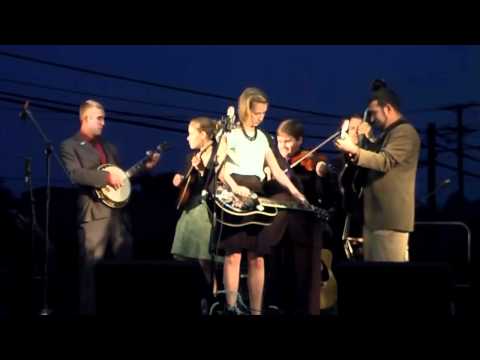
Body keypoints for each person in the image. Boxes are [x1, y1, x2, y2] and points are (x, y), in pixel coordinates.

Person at [60, 99, 160, 315]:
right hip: (94, 215)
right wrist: (106, 176)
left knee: (124, 268)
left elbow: (122, 179)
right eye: (99, 118)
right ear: (84, 118)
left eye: (104, 118)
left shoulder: (110, 147)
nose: (103, 122)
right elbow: (75, 175)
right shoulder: (70, 145)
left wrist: (145, 167)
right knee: (91, 272)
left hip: (119, 216)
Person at [216, 87, 306, 315]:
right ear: (246, 109)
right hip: (234, 194)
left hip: (256, 197)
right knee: (233, 254)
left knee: (257, 256)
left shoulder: (264, 138)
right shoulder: (230, 135)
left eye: (264, 113)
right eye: (257, 113)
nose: (260, 117)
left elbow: (277, 171)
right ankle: (231, 307)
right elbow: (219, 168)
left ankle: (256, 311)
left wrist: (297, 194)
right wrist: (235, 188)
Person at [335, 81, 421, 262]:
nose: (371, 119)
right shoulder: (387, 134)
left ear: (388, 109)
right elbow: (370, 158)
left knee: (386, 276)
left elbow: (385, 161)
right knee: (376, 276)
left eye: (374, 113)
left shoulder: (405, 132)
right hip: (376, 218)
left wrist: (356, 150)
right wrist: (358, 144)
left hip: (389, 218)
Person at [264, 119, 339, 315]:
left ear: (299, 140)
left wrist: (322, 170)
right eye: (280, 141)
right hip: (281, 226)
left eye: (288, 141)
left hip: (306, 225)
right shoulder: (275, 163)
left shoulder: (309, 160)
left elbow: (323, 186)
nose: (283, 146)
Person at [171, 116, 223, 299]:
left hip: (209, 210)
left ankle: (213, 298)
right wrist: (180, 180)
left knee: (206, 261)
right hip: (191, 209)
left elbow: (214, 180)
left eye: (190, 133)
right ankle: (198, 296)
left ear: (203, 134)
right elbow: (190, 184)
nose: (187, 138)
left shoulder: (219, 152)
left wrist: (202, 169)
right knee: (191, 260)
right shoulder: (191, 157)